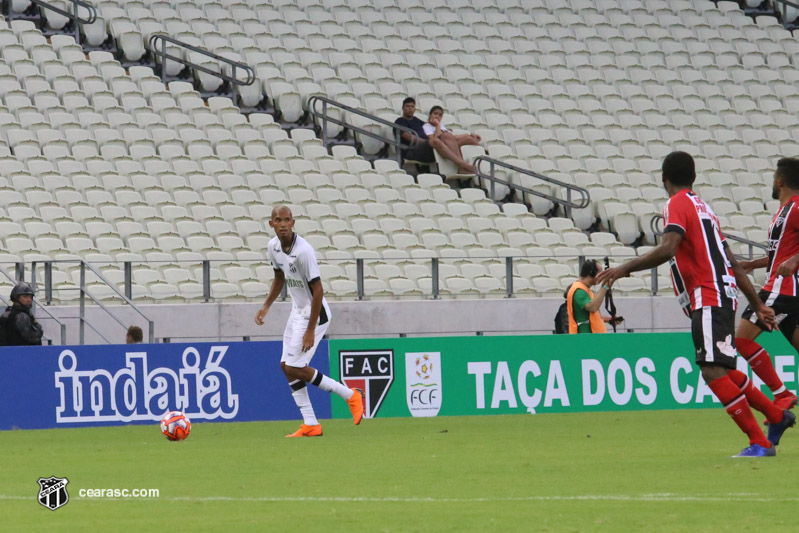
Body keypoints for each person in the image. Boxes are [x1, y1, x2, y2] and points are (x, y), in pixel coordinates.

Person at [597, 151, 795, 457]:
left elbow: (669, 247)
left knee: (712, 370)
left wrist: (624, 269)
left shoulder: (676, 204)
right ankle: (776, 415)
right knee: (724, 368)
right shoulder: (704, 209)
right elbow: (731, 261)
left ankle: (760, 441)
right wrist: (755, 303)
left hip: (709, 294)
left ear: (665, 179)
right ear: (694, 178)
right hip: (721, 294)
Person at [255, 205, 363, 437]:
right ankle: (311, 423)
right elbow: (279, 277)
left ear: (293, 223)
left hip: (316, 313)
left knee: (295, 366)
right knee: (286, 367)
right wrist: (266, 306)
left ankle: (350, 395)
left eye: (286, 220)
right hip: (298, 310)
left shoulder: (304, 251)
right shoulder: (273, 247)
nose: (282, 224)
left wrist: (310, 330)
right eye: (278, 220)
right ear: (271, 223)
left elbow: (318, 290)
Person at [736, 158, 799, 413]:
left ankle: (782, 394)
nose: (773, 181)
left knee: (740, 341)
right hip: (787, 290)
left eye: (774, 177)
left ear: (780, 180)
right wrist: (755, 264)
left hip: (780, 289)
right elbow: (781, 253)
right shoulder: (783, 211)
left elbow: (792, 256)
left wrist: (795, 259)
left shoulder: (795, 208)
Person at [394, 98, 474, 173]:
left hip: (427, 147)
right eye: (408, 106)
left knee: (452, 137)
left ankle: (462, 167)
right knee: (435, 140)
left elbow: (429, 124)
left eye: (412, 106)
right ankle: (463, 164)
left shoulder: (416, 120)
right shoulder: (400, 121)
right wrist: (428, 142)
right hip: (412, 150)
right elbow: (409, 137)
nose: (410, 108)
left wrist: (443, 130)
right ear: (403, 108)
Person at [566, 259, 622, 334]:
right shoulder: (579, 290)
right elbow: (593, 307)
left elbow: (591, 316)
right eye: (600, 272)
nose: (603, 275)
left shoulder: (585, 289)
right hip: (585, 337)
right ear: (591, 273)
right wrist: (605, 286)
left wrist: (609, 319)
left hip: (591, 336)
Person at [422, 105, 479, 174]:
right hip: (440, 145)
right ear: (430, 115)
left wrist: (469, 134)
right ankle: (462, 166)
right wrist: (437, 125)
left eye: (440, 115)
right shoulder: (427, 126)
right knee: (448, 136)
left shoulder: (441, 125)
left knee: (470, 139)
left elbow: (451, 137)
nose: (437, 116)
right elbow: (434, 140)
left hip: (448, 141)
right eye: (435, 114)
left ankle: (484, 156)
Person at [0, 281, 44, 346]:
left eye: (31, 297)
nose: (29, 300)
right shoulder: (22, 316)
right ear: (16, 297)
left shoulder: (7, 313)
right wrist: (38, 326)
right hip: (22, 354)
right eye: (25, 296)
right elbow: (32, 338)